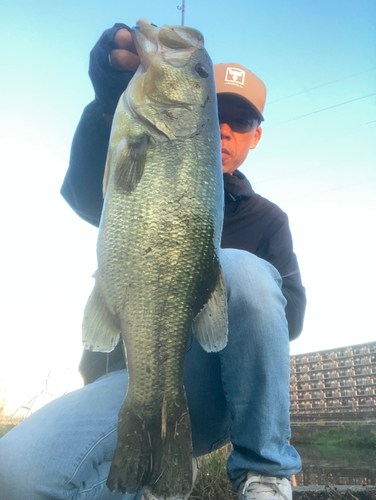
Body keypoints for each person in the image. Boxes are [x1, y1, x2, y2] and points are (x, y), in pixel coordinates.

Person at [0, 21, 306, 500]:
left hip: (215, 392)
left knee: (244, 270)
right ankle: (144, 478)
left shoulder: (268, 220)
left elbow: (289, 320)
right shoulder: (134, 141)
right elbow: (84, 195)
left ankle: (264, 471)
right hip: (127, 378)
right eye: (216, 109)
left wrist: (224, 286)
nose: (223, 128)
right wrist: (106, 102)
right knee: (18, 474)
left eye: (240, 121)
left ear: (256, 137)